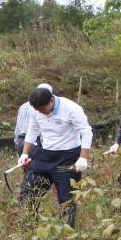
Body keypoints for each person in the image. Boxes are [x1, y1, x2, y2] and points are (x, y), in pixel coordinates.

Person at [18, 86, 93, 227]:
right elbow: (33, 129)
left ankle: (66, 234)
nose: (39, 112)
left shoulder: (71, 109)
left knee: (67, 200)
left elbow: (87, 132)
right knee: (28, 193)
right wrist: (25, 153)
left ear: (51, 101)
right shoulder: (35, 110)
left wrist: (83, 157)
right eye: (37, 110)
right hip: (45, 155)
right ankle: (27, 228)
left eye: (42, 109)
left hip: (68, 156)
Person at [14, 83, 52, 155]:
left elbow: (17, 126)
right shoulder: (40, 107)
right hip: (34, 142)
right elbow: (38, 128)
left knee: (25, 164)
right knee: (38, 165)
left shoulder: (22, 106)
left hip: (21, 140)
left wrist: (17, 142)